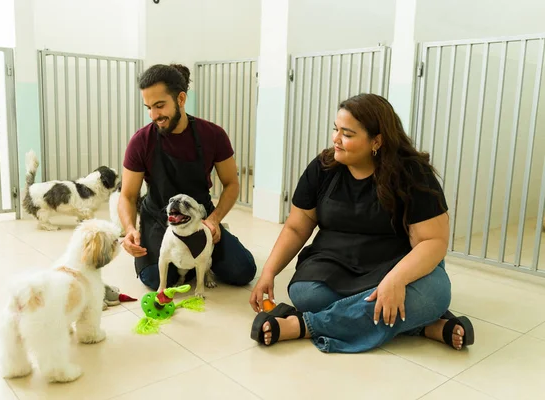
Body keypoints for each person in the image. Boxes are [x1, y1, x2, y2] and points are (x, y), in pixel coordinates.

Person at [249, 93, 475, 353]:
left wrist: (396, 280)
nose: (336, 139)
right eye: (336, 130)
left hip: (396, 263)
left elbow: (433, 242)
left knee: (435, 293)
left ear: (376, 141)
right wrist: (269, 272)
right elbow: (297, 227)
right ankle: (420, 325)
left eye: (347, 134)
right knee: (307, 294)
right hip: (333, 261)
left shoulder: (412, 173)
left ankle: (303, 325)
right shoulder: (322, 168)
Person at [119, 63, 256, 290]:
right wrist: (130, 230)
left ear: (181, 99)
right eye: (148, 107)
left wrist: (214, 220)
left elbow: (231, 184)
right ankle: (193, 263)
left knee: (243, 270)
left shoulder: (213, 135)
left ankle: (197, 260)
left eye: (160, 106)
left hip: (200, 217)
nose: (154, 115)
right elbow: (128, 195)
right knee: (156, 278)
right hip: (159, 218)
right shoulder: (141, 141)